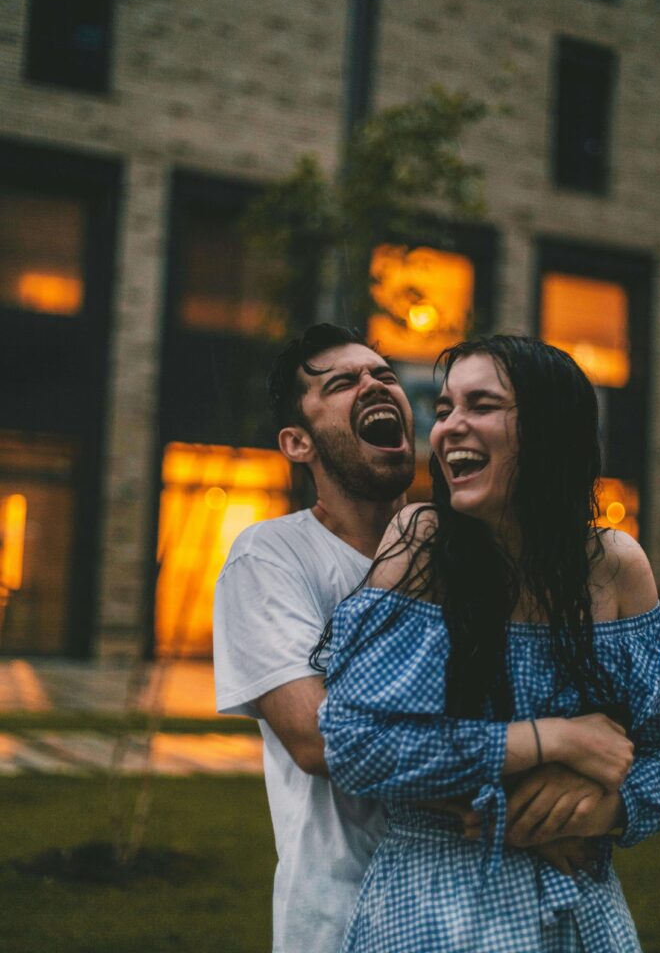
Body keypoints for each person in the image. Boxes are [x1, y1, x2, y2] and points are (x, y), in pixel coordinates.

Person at [319, 335, 660, 952]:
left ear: (546, 431)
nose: (450, 429)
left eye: (481, 405)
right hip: (435, 913)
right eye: (445, 409)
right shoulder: (424, 543)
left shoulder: (615, 565)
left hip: (581, 915)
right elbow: (355, 743)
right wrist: (555, 740)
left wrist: (602, 809)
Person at [213, 323, 416, 953]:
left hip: (478, 911)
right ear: (297, 442)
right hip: (341, 920)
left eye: (383, 374)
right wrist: (529, 747)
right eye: (342, 382)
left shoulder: (470, 552)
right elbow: (320, 739)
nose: (375, 384)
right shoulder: (270, 557)